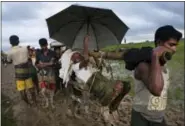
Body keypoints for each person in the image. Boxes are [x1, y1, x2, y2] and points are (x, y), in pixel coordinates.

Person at [130, 25, 182, 126]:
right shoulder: (143, 66)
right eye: (171, 45)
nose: (174, 49)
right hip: (142, 119)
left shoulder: (164, 67)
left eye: (175, 45)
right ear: (159, 43)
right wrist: (155, 56)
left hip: (158, 119)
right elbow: (156, 90)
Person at [6, 35, 36, 105]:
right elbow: (29, 56)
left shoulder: (10, 52)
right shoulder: (25, 48)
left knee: (22, 91)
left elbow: (9, 61)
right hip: (27, 71)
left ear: (10, 43)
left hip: (18, 73)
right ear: (18, 41)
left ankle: (28, 103)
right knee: (31, 88)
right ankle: (35, 101)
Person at [35, 38, 56, 108]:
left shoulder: (52, 52)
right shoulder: (38, 53)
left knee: (52, 89)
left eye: (44, 45)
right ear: (40, 45)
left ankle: (52, 102)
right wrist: (41, 65)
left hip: (51, 73)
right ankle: (47, 101)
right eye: (42, 46)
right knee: (43, 90)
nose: (43, 47)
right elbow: (36, 63)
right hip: (42, 74)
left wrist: (43, 64)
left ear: (47, 44)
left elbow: (53, 63)